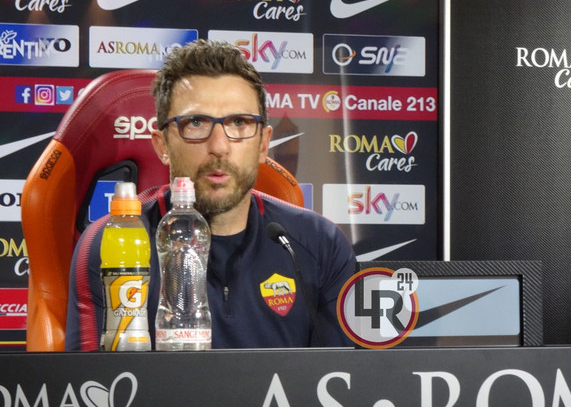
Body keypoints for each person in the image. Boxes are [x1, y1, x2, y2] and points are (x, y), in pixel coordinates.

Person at [65, 39, 356, 350]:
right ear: (162, 145)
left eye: (239, 122)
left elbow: (344, 376)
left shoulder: (320, 245)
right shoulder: (116, 242)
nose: (219, 146)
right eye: (195, 123)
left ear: (263, 144)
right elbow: (97, 380)